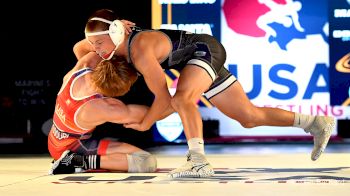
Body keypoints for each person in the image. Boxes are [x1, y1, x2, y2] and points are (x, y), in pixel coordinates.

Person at [73, 9, 335, 178]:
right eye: (93, 43)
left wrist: (146, 122)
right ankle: (315, 123)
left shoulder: (140, 52)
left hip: (203, 50)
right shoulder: (112, 42)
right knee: (249, 117)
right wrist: (104, 36)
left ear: (115, 33)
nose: (95, 49)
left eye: (99, 43)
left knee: (181, 97)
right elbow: (78, 48)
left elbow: (165, 100)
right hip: (193, 59)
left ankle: (198, 160)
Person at [48, 52, 157, 175]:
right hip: (72, 148)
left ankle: (76, 161)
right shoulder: (102, 108)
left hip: (56, 141)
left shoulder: (85, 64)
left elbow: (83, 46)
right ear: (119, 92)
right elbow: (149, 114)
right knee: (146, 161)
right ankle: (77, 161)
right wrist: (171, 102)